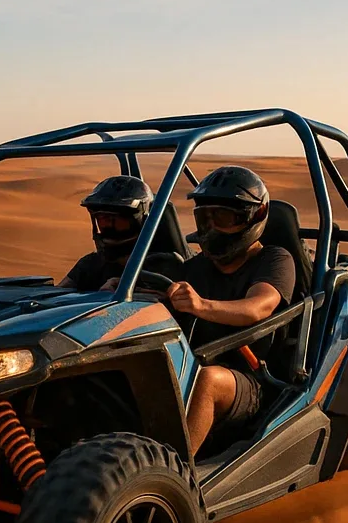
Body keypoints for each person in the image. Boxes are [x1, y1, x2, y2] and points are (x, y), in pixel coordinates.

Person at [166, 166, 295, 454]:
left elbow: (258, 307)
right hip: (189, 363)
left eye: (222, 217)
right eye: (204, 217)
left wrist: (201, 305)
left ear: (255, 217)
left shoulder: (274, 260)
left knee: (209, 380)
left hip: (251, 381)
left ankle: (172, 480)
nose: (210, 228)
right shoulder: (196, 267)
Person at [60, 175, 182, 291]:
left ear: (141, 221)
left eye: (114, 219)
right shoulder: (90, 264)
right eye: (101, 218)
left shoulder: (165, 266)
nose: (106, 226)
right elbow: (57, 295)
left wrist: (125, 289)